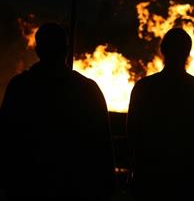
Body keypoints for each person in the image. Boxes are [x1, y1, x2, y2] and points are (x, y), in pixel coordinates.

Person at [0, 23, 115, 199]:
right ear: (66, 50)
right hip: (76, 187)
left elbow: (6, 138)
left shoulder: (20, 87)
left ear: (38, 50)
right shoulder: (87, 90)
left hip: (28, 186)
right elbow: (103, 146)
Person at [127, 27, 194, 201]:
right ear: (188, 53)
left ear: (162, 50)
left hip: (150, 177)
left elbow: (132, 132)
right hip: (189, 177)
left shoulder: (144, 88)